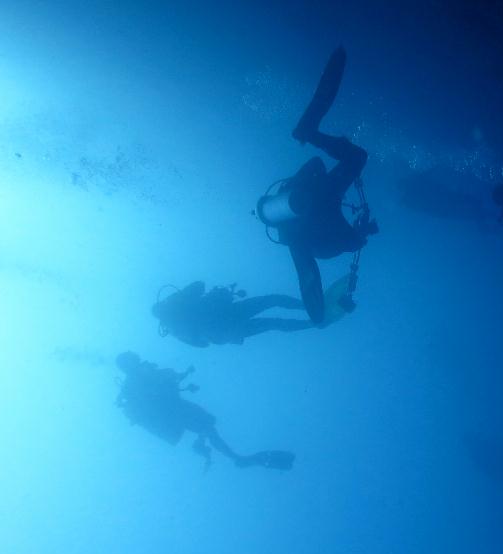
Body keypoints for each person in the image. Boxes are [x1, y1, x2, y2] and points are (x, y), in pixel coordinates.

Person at [259, 47, 378, 324]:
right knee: (355, 158)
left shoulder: (299, 238)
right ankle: (309, 133)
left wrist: (317, 315)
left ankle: (308, 132)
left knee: (357, 158)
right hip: (317, 191)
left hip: (319, 198)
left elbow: (308, 277)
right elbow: (315, 164)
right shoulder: (299, 232)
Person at [114, 351, 295, 471]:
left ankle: (230, 455)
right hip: (176, 410)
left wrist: (179, 376)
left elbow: (167, 382)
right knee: (208, 428)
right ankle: (234, 457)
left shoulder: (134, 381)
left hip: (174, 411)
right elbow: (164, 383)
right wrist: (175, 377)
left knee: (208, 428)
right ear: (128, 363)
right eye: (132, 358)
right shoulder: (137, 379)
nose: (137, 357)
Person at [152, 281, 310, 347]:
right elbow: (200, 285)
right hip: (228, 314)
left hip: (224, 332)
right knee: (272, 300)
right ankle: (307, 306)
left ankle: (312, 323)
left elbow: (202, 345)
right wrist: (179, 297)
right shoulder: (177, 303)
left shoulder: (174, 330)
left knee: (272, 322)